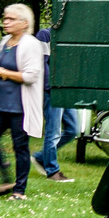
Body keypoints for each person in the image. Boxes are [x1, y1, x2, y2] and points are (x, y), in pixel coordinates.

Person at [0, 3, 45, 199]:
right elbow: (1, 67)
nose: (5, 22)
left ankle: (19, 191)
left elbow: (31, 76)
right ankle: (6, 179)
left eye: (11, 19)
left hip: (19, 105)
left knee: (20, 147)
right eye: (5, 18)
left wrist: (3, 73)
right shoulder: (5, 41)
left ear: (24, 23)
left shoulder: (31, 44)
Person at [32, 26, 76, 183]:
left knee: (72, 129)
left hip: (67, 90)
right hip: (52, 90)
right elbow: (41, 63)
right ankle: (52, 171)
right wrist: (51, 87)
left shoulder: (72, 36)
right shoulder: (45, 35)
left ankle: (39, 157)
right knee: (54, 131)